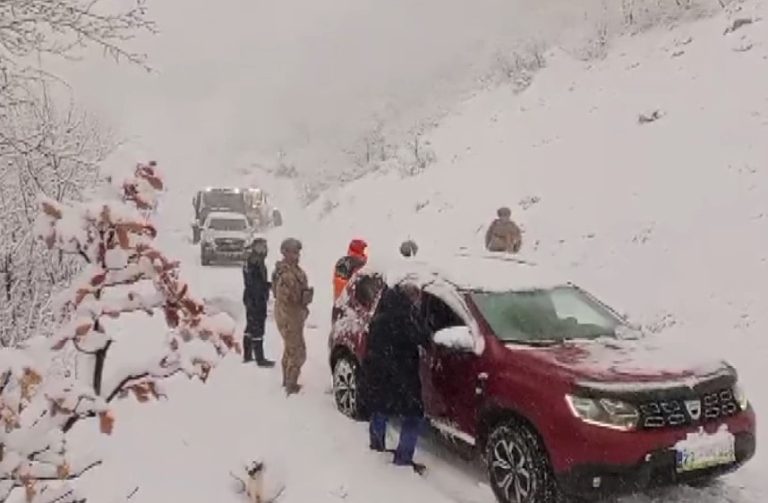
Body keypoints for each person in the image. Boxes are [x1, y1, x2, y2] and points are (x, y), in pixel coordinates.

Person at [360, 283, 431, 474]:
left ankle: (377, 448)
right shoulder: (407, 318)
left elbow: (371, 346)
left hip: (379, 374)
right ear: (410, 296)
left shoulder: (381, 314)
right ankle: (403, 460)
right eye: (416, 297)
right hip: (403, 376)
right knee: (413, 415)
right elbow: (424, 339)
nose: (418, 301)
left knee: (379, 409)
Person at [272, 238, 313, 395]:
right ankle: (291, 383)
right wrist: (301, 297)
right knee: (297, 350)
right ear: (285, 252)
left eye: (298, 252)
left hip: (295, 315)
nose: (297, 255)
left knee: (291, 348)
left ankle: (288, 380)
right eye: (293, 252)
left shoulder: (295, 271)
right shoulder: (285, 273)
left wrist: (306, 296)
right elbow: (283, 297)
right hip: (288, 316)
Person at [242, 238, 275, 368]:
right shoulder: (254, 262)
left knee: (250, 325)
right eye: (260, 247)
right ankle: (259, 358)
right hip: (255, 298)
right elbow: (255, 283)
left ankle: (248, 355)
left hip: (252, 297)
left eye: (264, 247)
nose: (263, 250)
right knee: (257, 326)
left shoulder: (253, 260)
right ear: (254, 247)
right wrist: (267, 286)